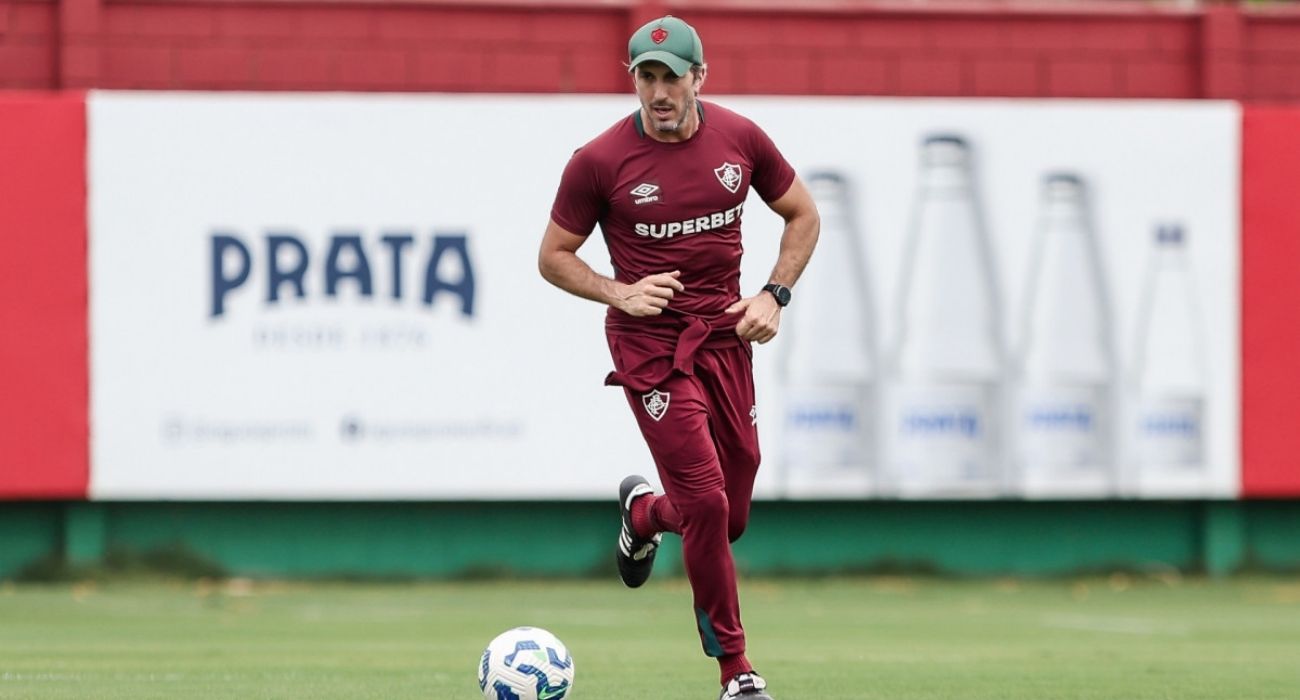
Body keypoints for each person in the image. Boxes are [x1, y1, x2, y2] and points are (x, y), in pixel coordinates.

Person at [538, 14, 819, 700]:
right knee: (705, 499)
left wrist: (774, 294)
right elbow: (552, 257)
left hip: (724, 337)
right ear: (633, 80)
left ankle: (643, 516)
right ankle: (737, 670)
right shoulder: (599, 161)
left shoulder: (740, 140)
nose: (659, 91)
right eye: (646, 77)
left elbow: (803, 215)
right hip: (650, 346)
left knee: (729, 517)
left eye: (671, 76)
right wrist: (619, 292)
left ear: (700, 77)